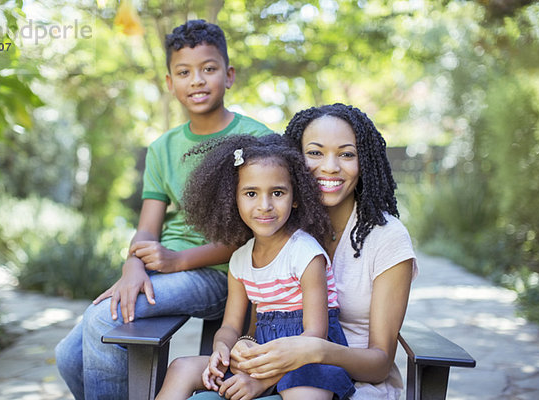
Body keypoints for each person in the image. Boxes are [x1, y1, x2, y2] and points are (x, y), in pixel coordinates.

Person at [54, 20, 272, 400]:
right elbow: (147, 228)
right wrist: (132, 266)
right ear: (170, 83)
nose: (198, 80)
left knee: (104, 319)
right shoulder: (161, 148)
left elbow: (259, 232)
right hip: (165, 267)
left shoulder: (257, 139)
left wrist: (178, 260)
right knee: (68, 355)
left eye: (209, 68)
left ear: (229, 75)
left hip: (223, 274)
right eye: (184, 72)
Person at [190, 103, 418, 400]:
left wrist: (314, 350)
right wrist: (245, 345)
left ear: (365, 162)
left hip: (354, 386)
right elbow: (260, 320)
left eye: (347, 154)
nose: (330, 166)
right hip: (274, 371)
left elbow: (379, 364)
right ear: (294, 162)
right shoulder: (279, 225)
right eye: (315, 152)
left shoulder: (387, 238)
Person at [155, 134, 356, 400]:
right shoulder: (239, 260)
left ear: (295, 197)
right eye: (251, 193)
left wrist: (261, 381)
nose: (265, 205)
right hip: (261, 355)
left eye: (277, 193)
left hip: (308, 358)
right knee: (182, 367)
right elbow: (230, 327)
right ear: (232, 199)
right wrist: (223, 350)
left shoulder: (306, 254)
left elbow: (314, 336)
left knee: (305, 393)